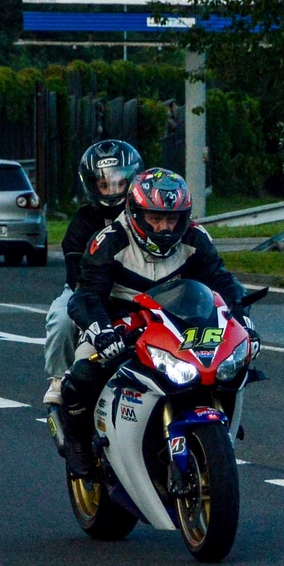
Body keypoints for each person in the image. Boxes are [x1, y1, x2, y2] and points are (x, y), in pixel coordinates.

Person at [57, 169, 254, 474]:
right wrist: (101, 332)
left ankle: (219, 429)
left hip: (179, 323)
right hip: (120, 324)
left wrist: (243, 319)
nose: (164, 227)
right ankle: (79, 443)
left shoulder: (196, 237)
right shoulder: (109, 241)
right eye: (155, 218)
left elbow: (222, 282)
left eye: (172, 219)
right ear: (136, 213)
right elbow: (86, 295)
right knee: (82, 374)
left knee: (231, 365)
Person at [42, 139, 141, 408]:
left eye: (120, 183)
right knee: (62, 317)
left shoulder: (147, 214)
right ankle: (59, 377)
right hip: (88, 291)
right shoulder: (82, 223)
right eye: (104, 184)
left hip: (142, 290)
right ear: (91, 185)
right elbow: (78, 284)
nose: (112, 190)